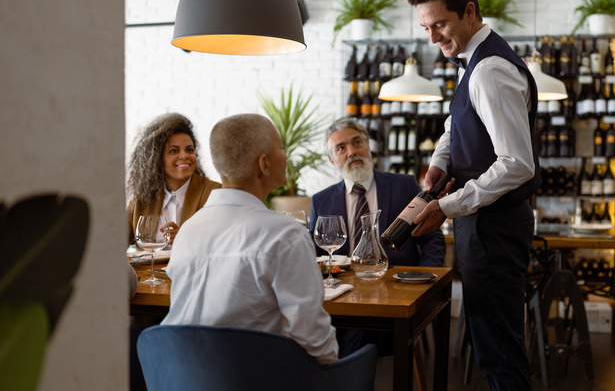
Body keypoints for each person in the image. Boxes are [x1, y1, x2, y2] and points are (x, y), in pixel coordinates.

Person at [406, 0, 541, 390]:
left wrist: (446, 206)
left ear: (468, 11)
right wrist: (439, 161)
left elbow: (517, 163)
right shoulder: (471, 61)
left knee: (499, 351)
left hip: (493, 228)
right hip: (481, 225)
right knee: (490, 344)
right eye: (426, 27)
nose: (432, 38)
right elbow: (457, 122)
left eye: (440, 24)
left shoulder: (489, 70)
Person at [161, 113, 339, 365]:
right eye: (281, 149)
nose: (286, 156)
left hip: (182, 376)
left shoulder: (188, 231)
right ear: (264, 164)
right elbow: (315, 343)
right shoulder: (285, 235)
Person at [309, 117, 445, 356]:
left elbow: (431, 236)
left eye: (357, 142)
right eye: (341, 148)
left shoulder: (403, 185)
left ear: (368, 145)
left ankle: (349, 371)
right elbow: (316, 252)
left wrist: (423, 279)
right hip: (344, 297)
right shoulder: (321, 200)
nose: (352, 152)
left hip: (397, 293)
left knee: (355, 336)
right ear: (332, 160)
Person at [126, 113, 220, 245]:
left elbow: (225, 241)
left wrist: (187, 238)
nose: (184, 156)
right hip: (148, 266)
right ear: (156, 158)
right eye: (174, 151)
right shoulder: (140, 199)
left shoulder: (215, 193)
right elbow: (112, 244)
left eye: (189, 150)